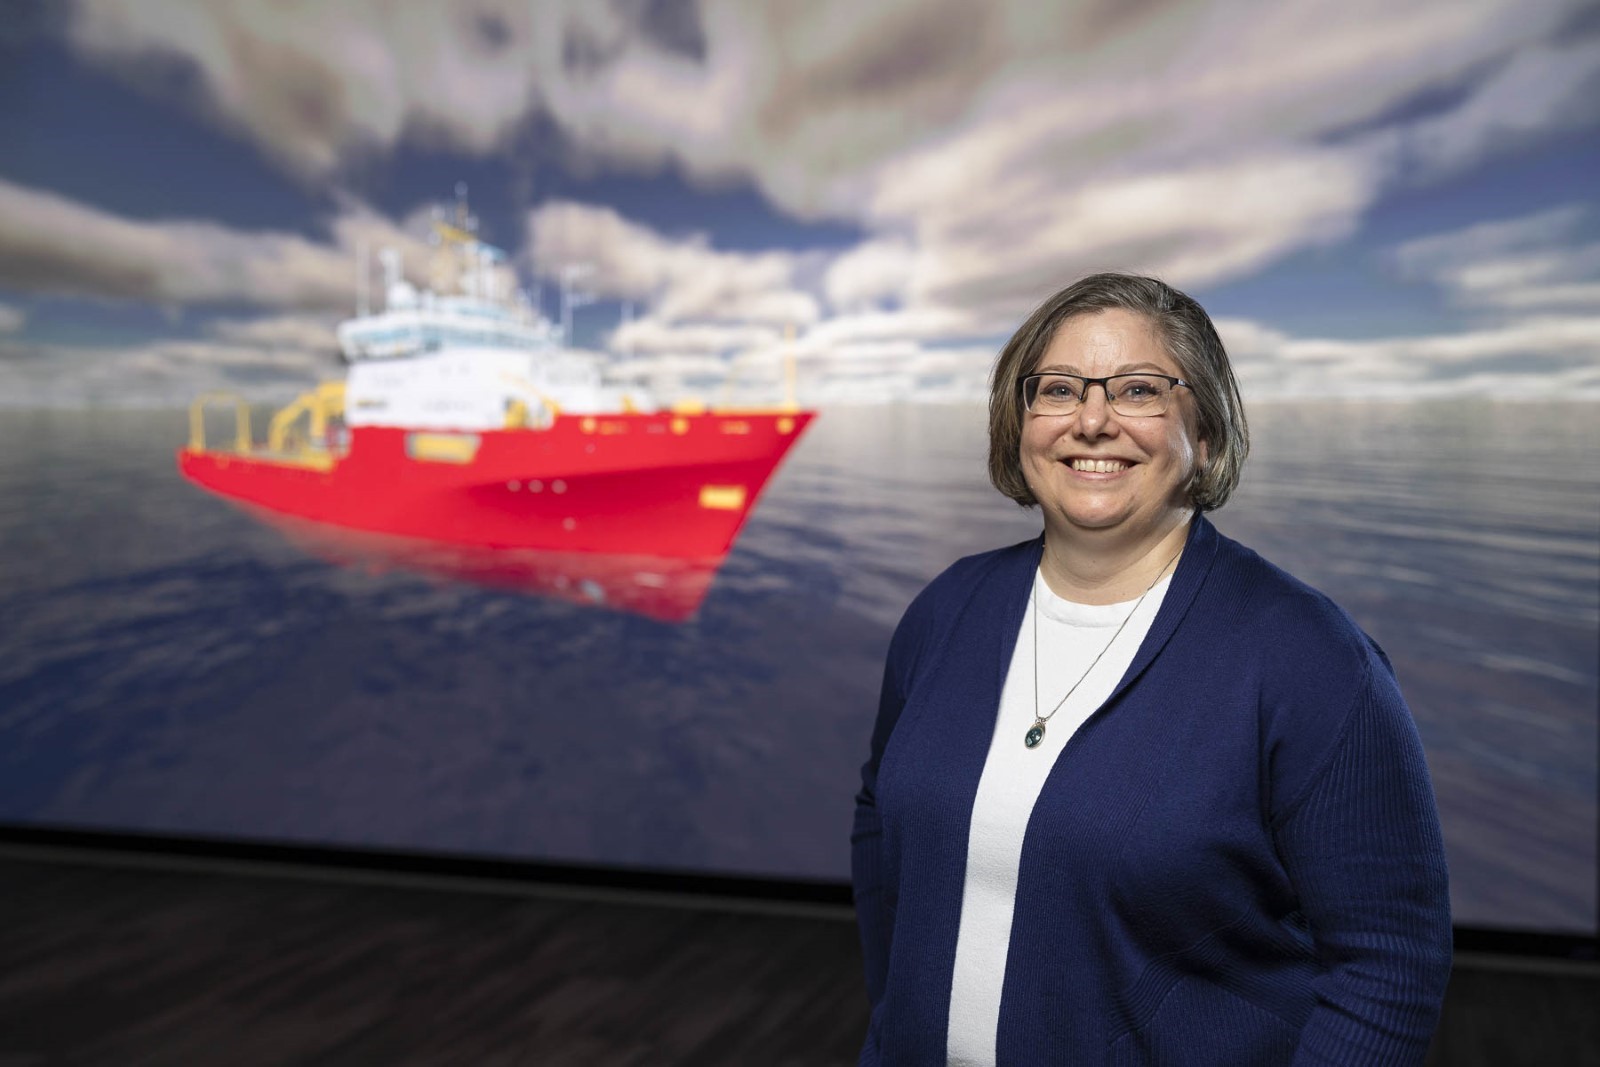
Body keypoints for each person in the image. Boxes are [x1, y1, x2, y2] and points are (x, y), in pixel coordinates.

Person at [851, 273, 1452, 1065]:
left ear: (1203, 435)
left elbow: (1389, 963)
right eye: (1059, 389)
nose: (1092, 420)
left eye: (1138, 390)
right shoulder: (947, 609)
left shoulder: (1309, 658)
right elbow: (880, 820)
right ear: (1019, 422)